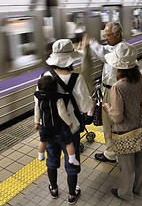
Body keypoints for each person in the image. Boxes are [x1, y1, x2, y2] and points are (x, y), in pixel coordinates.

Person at [34, 39, 93, 204]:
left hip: (49, 128)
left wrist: (37, 121)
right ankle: (72, 194)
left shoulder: (44, 76)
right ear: (70, 58)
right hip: (70, 127)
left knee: (52, 159)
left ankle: (53, 189)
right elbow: (84, 106)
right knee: (71, 160)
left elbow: (38, 103)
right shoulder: (76, 78)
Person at [101, 42, 142, 201]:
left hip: (125, 133)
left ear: (119, 67)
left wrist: (107, 108)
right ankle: (137, 190)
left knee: (127, 166)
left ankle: (125, 193)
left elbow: (116, 117)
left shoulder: (118, 87)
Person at [81, 22, 125, 163]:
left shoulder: (122, 49)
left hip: (115, 90)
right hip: (107, 89)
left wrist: (92, 41)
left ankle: (112, 153)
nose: (105, 38)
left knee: (112, 123)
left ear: (117, 34)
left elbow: (105, 54)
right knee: (108, 123)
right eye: (104, 35)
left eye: (108, 35)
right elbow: (103, 50)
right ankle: (112, 150)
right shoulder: (113, 47)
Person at [34, 75, 79, 166]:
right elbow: (62, 113)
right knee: (68, 142)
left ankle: (40, 156)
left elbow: (37, 111)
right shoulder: (58, 99)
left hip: (45, 126)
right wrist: (69, 122)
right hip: (59, 127)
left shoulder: (39, 99)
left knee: (43, 141)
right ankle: (72, 159)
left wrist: (37, 122)